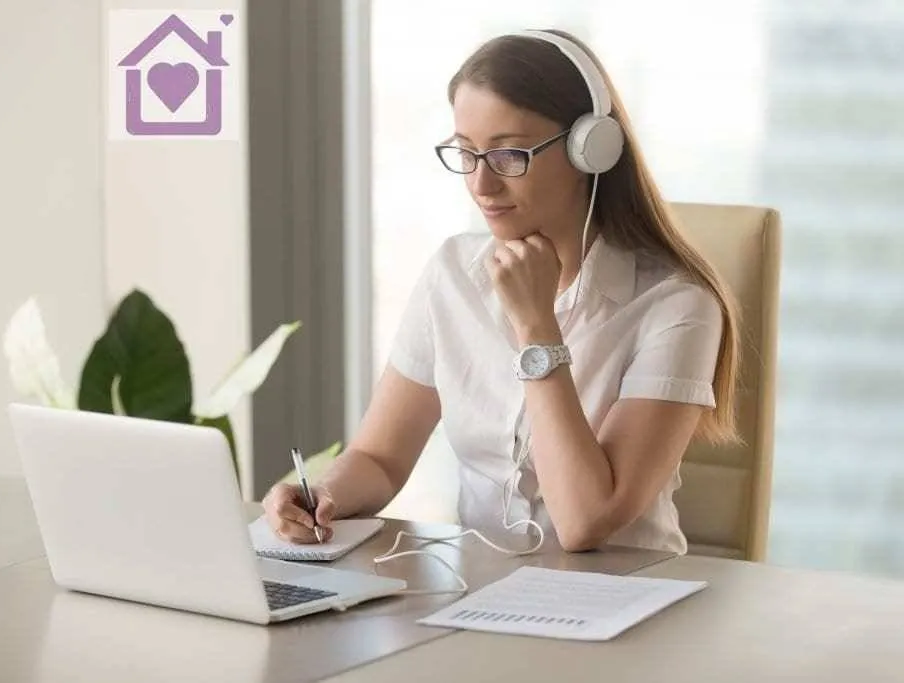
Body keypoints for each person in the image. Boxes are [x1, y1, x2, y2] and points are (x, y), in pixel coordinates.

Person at [262, 28, 740, 555]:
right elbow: (380, 457)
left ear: (591, 150)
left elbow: (585, 522)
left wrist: (537, 325)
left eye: (510, 155)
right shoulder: (452, 272)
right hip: (479, 593)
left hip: (624, 603)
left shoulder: (678, 306)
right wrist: (323, 495)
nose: (482, 186)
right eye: (466, 154)